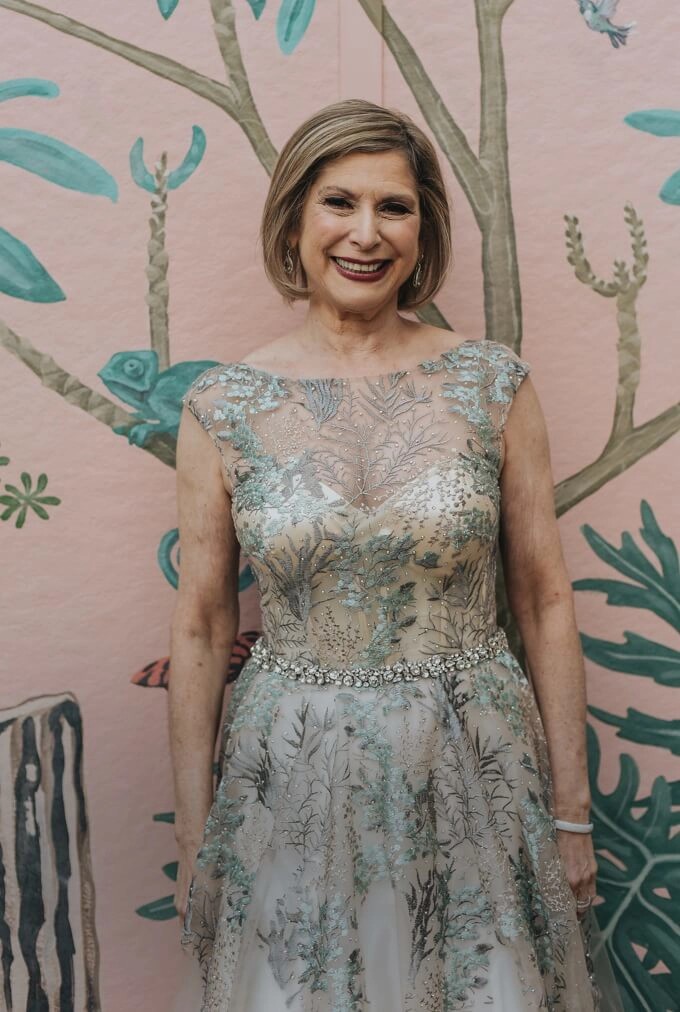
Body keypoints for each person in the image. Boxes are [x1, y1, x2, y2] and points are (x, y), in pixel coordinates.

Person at [169, 99, 624, 1011]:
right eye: (339, 203)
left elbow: (543, 599)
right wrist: (197, 848)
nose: (366, 235)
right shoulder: (223, 404)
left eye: (396, 207)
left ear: (426, 229)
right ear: (295, 220)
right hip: (290, 778)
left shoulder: (492, 382)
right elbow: (202, 627)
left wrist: (571, 816)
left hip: (472, 768)